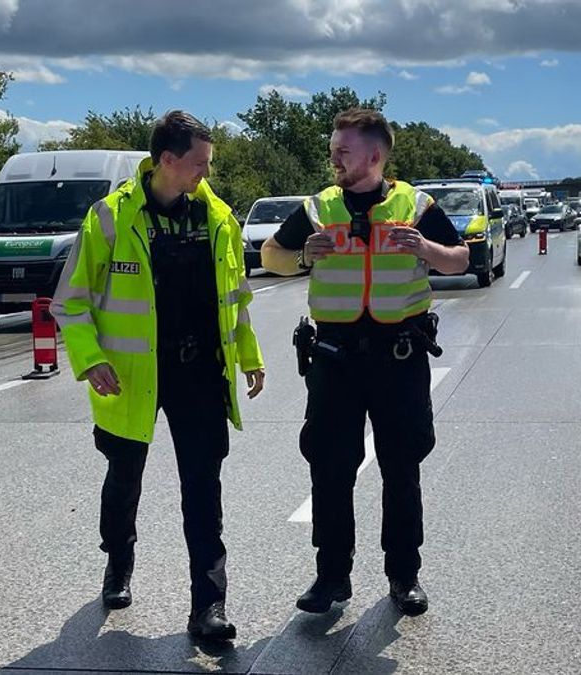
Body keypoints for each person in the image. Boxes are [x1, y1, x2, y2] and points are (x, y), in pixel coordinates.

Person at [51, 110, 266, 642]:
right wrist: (90, 358)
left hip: (198, 374)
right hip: (128, 377)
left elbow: (235, 299)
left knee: (203, 489)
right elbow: (70, 303)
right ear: (167, 160)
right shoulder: (109, 218)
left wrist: (249, 357)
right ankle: (118, 561)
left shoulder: (218, 218)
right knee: (125, 479)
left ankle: (208, 608)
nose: (205, 174)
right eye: (199, 164)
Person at [261, 108, 469, 617]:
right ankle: (332, 576)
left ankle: (404, 575)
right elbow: (270, 256)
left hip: (399, 358)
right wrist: (304, 255)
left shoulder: (415, 205)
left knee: (402, 468)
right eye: (333, 148)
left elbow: (460, 258)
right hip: (335, 360)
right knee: (331, 470)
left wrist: (426, 247)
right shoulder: (318, 207)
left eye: (343, 150)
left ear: (374, 155)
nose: (334, 157)